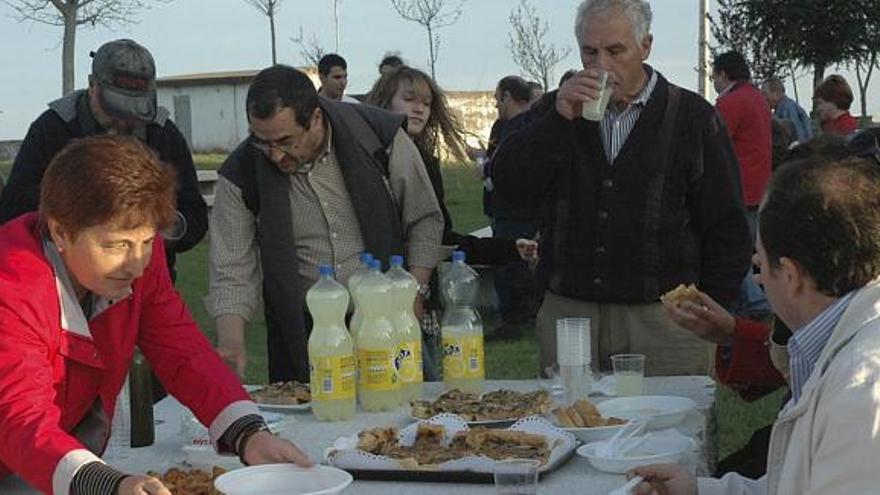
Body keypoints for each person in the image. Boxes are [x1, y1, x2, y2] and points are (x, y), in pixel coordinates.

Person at [0, 135, 311, 495]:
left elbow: (181, 348)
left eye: (146, 243)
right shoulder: (11, 288)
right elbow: (19, 418)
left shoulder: (140, 262)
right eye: (115, 245)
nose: (135, 264)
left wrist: (248, 433)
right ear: (60, 231)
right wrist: (108, 484)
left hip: (46, 467)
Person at [490, 0, 752, 375]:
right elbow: (508, 185)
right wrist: (557, 123)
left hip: (662, 315)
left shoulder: (691, 116)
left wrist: (706, 304)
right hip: (572, 311)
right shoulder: (558, 108)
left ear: (645, 47)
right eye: (589, 52)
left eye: (615, 51)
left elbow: (726, 224)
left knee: (670, 429)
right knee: (571, 427)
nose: (601, 66)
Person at [633, 155, 880, 495]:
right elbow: (796, 483)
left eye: (760, 261)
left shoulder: (861, 392)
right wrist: (700, 491)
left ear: (791, 276)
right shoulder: (845, 347)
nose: (756, 270)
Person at [208, 65, 445, 383]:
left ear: (316, 119)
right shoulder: (240, 173)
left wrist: (412, 292)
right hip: (307, 331)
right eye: (261, 142)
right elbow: (231, 268)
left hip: (386, 317)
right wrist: (231, 342)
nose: (275, 156)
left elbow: (425, 219)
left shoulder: (377, 134)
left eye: (285, 141)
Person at [366, 66, 537, 376]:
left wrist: (508, 249)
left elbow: (441, 238)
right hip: (379, 300)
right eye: (409, 98)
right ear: (384, 102)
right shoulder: (370, 161)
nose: (419, 108)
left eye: (427, 102)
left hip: (422, 301)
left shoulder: (426, 162)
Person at [0, 39, 207, 282]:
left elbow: (194, 217)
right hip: (63, 284)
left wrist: (149, 228)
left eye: (135, 110)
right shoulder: (52, 127)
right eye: (115, 107)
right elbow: (13, 209)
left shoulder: (162, 133)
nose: (123, 121)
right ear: (91, 85)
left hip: (144, 283)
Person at [712, 51, 772, 318]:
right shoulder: (758, 98)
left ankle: (756, 305)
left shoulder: (731, 103)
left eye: (714, 76)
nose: (713, 82)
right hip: (760, 188)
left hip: (737, 189)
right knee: (753, 251)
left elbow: (711, 144)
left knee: (735, 252)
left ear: (723, 75)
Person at [761, 76, 813, 143]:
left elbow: (797, 136)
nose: (762, 98)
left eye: (764, 94)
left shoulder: (788, 108)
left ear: (775, 93)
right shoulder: (783, 108)